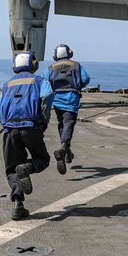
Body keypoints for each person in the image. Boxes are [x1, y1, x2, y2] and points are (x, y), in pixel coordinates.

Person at [0, 51, 53, 220]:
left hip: (10, 130)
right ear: (33, 65)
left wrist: (7, 124)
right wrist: (44, 119)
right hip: (31, 128)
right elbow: (48, 95)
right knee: (42, 159)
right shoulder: (40, 81)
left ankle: (18, 205)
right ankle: (28, 167)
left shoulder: (7, 85)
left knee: (12, 168)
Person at [44, 43, 90, 174]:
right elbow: (86, 79)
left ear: (55, 56)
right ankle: (64, 147)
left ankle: (66, 151)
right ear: (69, 53)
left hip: (57, 100)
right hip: (71, 99)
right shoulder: (76, 65)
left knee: (61, 123)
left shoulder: (50, 68)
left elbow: (45, 82)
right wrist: (77, 85)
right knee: (68, 123)